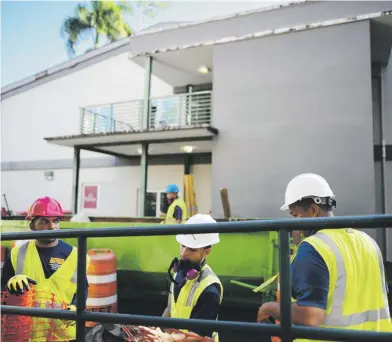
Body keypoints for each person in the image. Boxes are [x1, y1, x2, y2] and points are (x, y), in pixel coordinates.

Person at [257, 173, 392, 339]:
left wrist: (268, 308)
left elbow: (312, 316)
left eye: (295, 215)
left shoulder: (314, 248)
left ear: (313, 210)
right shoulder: (368, 241)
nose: (294, 225)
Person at [1, 196, 89, 342]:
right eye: (44, 221)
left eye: (56, 221)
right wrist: (11, 284)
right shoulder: (18, 253)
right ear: (32, 225)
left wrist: (76, 307)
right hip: (27, 334)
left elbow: (82, 291)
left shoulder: (76, 255)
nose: (52, 227)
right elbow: (3, 289)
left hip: (63, 334)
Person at [140, 214, 223, 342]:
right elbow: (170, 308)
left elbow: (199, 333)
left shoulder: (211, 288)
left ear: (207, 251)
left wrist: (169, 339)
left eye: (192, 249)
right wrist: (156, 329)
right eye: (183, 245)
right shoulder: (178, 274)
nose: (184, 253)